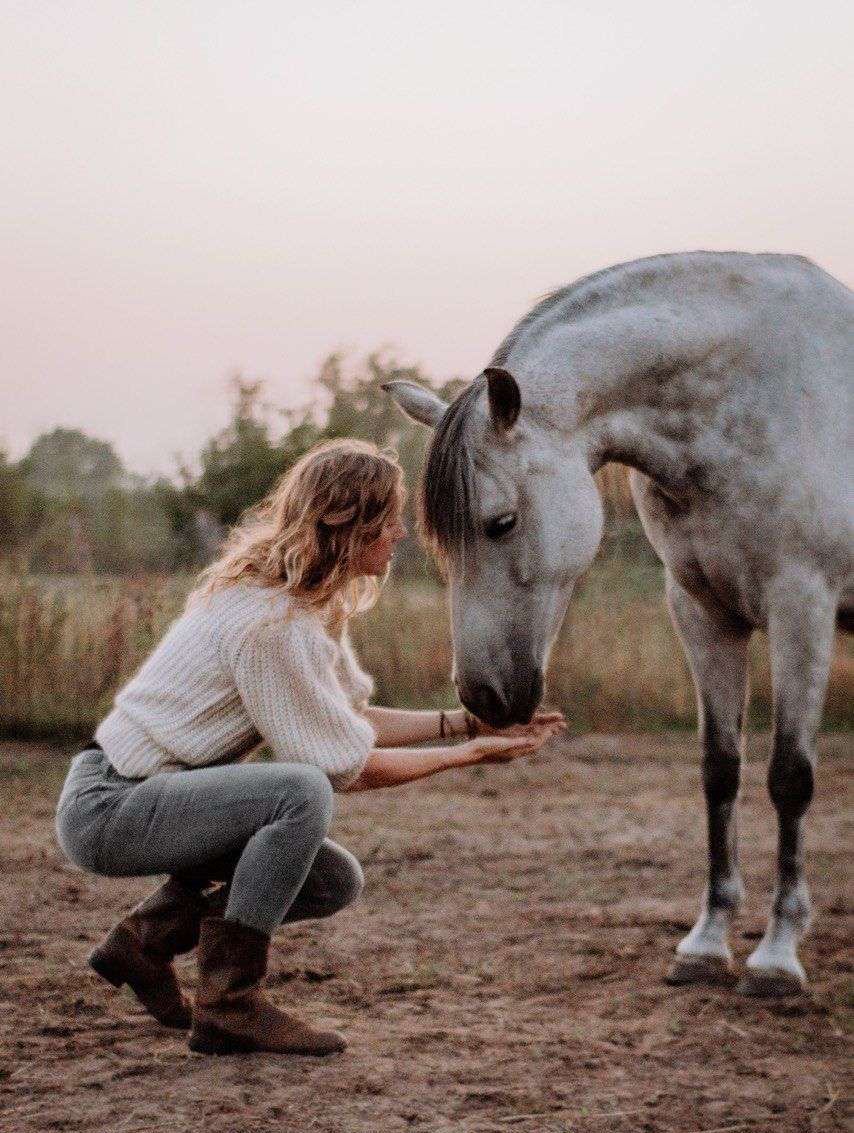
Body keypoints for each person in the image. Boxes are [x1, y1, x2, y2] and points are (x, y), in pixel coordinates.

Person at [55, 440, 564, 1056]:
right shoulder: (270, 624)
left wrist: (467, 726)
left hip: (155, 797)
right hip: (110, 807)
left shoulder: (305, 609)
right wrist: (473, 757)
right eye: (391, 518)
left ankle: (144, 943)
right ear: (346, 523)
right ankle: (229, 1006)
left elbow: (345, 721)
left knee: (330, 878)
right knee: (300, 791)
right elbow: (346, 766)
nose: (401, 534)